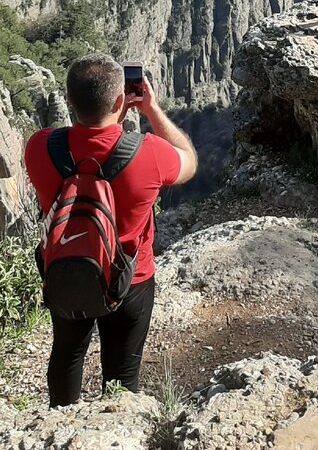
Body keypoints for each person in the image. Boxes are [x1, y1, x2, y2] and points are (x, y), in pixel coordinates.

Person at [24, 54, 198, 406]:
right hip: (130, 279)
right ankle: (116, 426)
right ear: (121, 101)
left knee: (67, 354)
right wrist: (150, 110)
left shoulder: (39, 147)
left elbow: (84, 144)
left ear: (69, 101)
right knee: (122, 373)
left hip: (67, 270)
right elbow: (189, 160)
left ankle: (58, 422)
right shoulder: (150, 153)